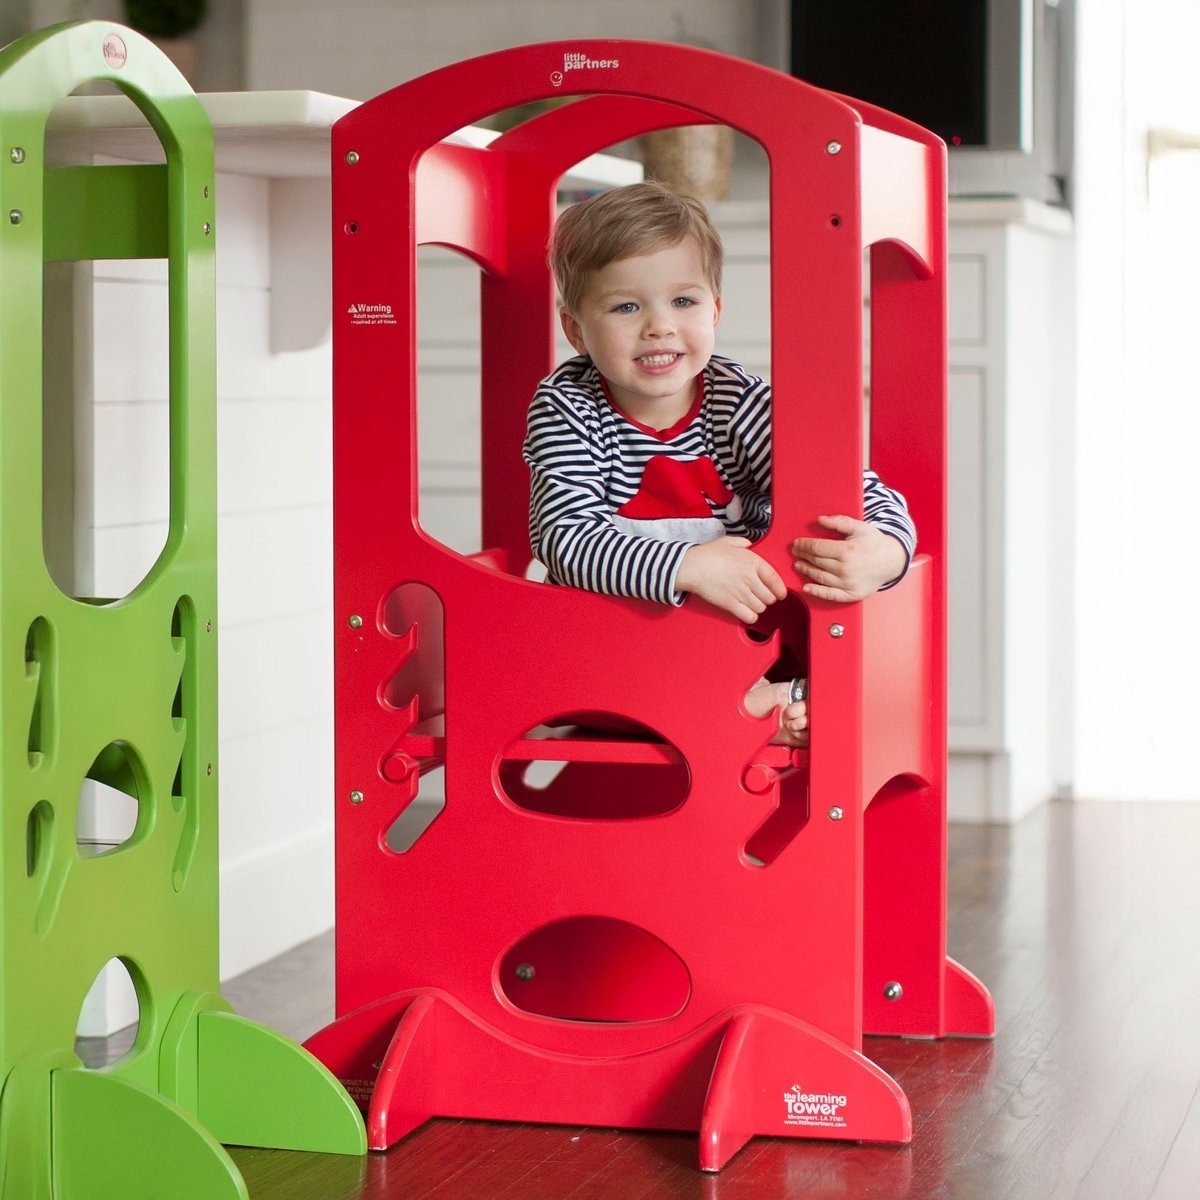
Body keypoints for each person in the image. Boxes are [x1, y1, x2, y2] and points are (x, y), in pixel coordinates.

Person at [523, 182, 915, 745]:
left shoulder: (741, 400)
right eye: (626, 306)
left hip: (740, 638)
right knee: (589, 647)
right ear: (576, 330)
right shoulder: (568, 406)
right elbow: (564, 537)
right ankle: (748, 708)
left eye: (683, 302)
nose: (659, 325)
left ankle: (755, 696)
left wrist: (886, 547)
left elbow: (848, 490)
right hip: (612, 651)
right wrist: (690, 565)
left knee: (856, 636)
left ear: (716, 310)